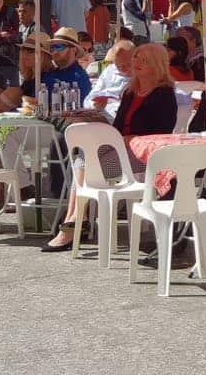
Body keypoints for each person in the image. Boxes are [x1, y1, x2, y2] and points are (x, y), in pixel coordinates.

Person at [44, 42, 178, 252]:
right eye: (136, 58)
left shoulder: (164, 94)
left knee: (87, 161)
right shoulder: (130, 92)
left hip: (143, 157)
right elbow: (117, 127)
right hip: (120, 151)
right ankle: (76, 218)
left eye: (144, 60)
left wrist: (124, 139)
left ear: (157, 65)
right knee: (83, 155)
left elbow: (160, 134)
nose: (136, 63)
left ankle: (74, 222)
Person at [83, 40, 134, 120]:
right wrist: (95, 105)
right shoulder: (110, 71)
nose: (123, 69)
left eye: (127, 65)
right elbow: (89, 99)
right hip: (105, 118)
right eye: (118, 66)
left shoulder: (143, 74)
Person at [46, 27, 92, 102]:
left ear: (73, 50)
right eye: (52, 47)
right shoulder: (49, 73)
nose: (55, 51)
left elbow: (83, 110)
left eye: (59, 47)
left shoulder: (80, 78)